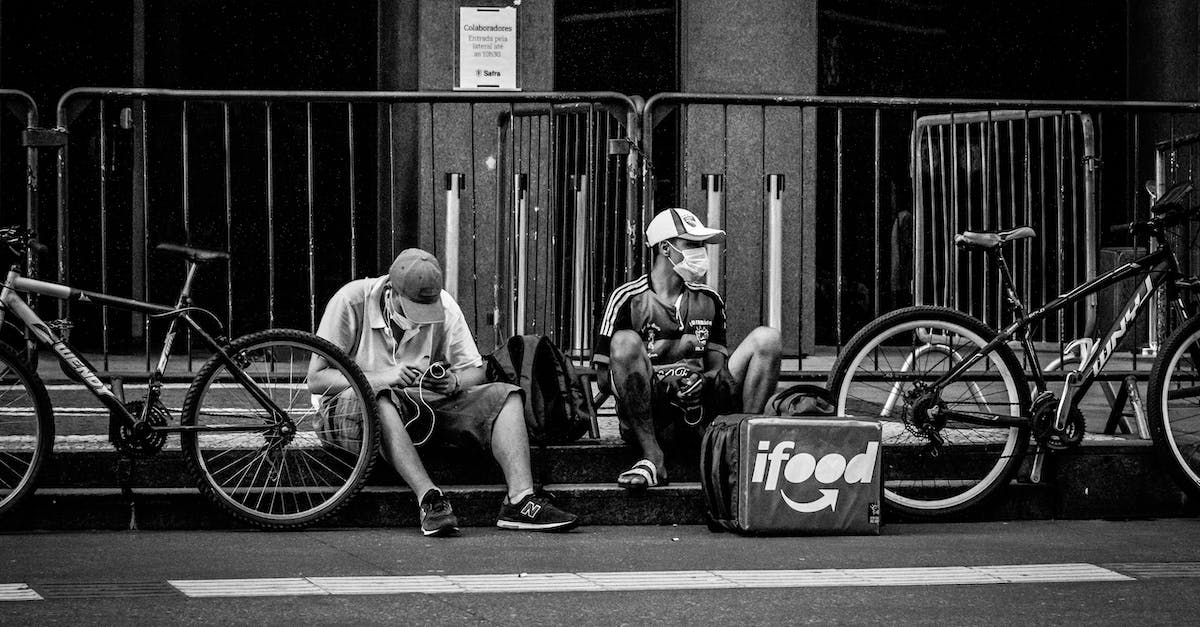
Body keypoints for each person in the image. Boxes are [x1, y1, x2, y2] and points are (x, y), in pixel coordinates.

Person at [309, 248, 579, 536]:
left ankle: (520, 500)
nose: (420, 319)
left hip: (420, 403)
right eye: (412, 309)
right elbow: (317, 379)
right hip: (352, 406)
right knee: (380, 397)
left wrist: (454, 382)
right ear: (391, 291)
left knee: (506, 396)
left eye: (427, 310)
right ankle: (430, 499)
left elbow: (476, 370)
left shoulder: (444, 305)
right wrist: (380, 378)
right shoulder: (351, 300)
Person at [594, 208, 781, 490]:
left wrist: (702, 383)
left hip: (700, 413)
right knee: (624, 341)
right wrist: (662, 382)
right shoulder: (626, 298)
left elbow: (719, 371)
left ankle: (743, 447)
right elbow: (603, 379)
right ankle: (652, 457)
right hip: (650, 414)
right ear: (665, 248)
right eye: (691, 244)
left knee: (767, 339)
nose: (701, 252)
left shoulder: (709, 299)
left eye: (701, 245)